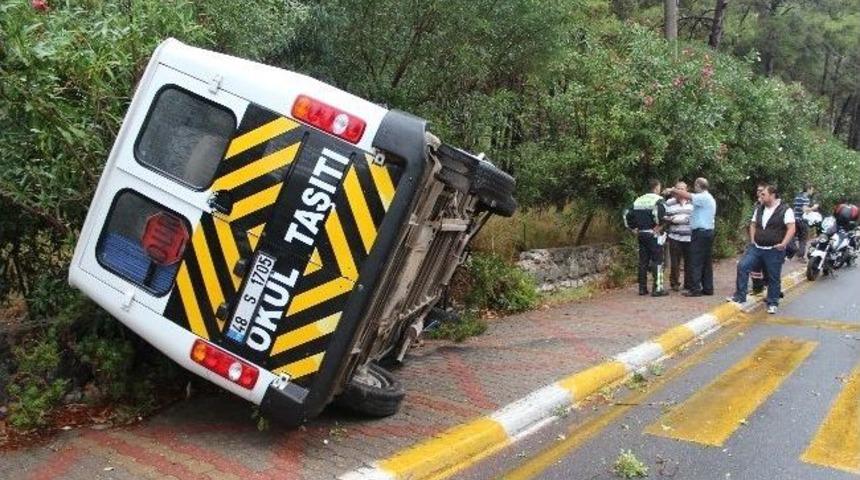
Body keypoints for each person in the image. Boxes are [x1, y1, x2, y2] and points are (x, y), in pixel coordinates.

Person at [728, 184, 796, 314]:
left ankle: (772, 302)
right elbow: (753, 224)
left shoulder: (785, 210)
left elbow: (791, 228)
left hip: (774, 250)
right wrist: (753, 240)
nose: (760, 196)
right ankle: (740, 296)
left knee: (773, 276)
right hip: (757, 247)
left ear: (772, 195)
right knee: (742, 266)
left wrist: (783, 243)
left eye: (763, 194)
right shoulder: (759, 208)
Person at [667, 177, 716, 297]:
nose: (694, 188)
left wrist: (673, 190)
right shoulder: (709, 197)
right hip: (707, 232)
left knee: (695, 261)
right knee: (706, 262)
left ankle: (695, 289)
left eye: (695, 185)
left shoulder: (702, 197)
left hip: (700, 233)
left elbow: (687, 195)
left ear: (698, 185)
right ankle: (708, 288)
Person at [624, 179, 669, 297]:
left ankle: (642, 288)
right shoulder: (658, 200)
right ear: (656, 188)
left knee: (643, 262)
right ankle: (657, 288)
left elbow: (626, 214)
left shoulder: (638, 200)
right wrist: (660, 226)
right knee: (657, 261)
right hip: (653, 234)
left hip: (641, 234)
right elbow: (663, 215)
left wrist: (632, 228)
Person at [664, 182, 693, 291]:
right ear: (675, 190)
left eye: (682, 189)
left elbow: (696, 217)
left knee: (689, 262)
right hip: (674, 236)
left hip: (689, 236)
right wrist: (672, 220)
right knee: (675, 262)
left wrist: (686, 220)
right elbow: (664, 217)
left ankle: (688, 284)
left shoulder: (693, 202)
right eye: (678, 189)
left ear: (686, 190)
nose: (680, 191)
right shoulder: (669, 202)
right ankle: (674, 283)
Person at [791, 184, 818, 260]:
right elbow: (805, 210)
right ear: (808, 189)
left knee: (793, 237)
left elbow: (796, 208)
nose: (812, 191)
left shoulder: (797, 197)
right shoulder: (805, 198)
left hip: (795, 219)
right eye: (812, 189)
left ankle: (796, 251)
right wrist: (813, 208)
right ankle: (801, 256)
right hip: (802, 221)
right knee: (803, 238)